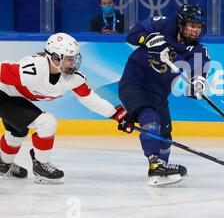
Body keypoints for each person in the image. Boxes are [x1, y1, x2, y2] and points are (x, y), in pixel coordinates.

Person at [0, 33, 134, 183]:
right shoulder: (34, 69)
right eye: (69, 59)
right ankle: (41, 165)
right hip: (3, 95)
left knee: (17, 133)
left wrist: (116, 114)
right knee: (46, 122)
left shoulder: (72, 78)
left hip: (16, 99)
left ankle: (3, 164)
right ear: (56, 58)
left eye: (74, 58)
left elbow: (89, 98)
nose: (73, 63)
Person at [119, 4, 210, 186]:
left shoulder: (199, 51)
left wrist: (197, 86)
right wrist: (147, 39)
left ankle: (161, 169)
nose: (195, 31)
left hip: (159, 93)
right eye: (191, 26)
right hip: (134, 83)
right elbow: (132, 36)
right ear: (181, 24)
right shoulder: (161, 25)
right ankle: (154, 163)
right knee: (150, 118)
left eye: (198, 27)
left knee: (165, 133)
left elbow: (197, 76)